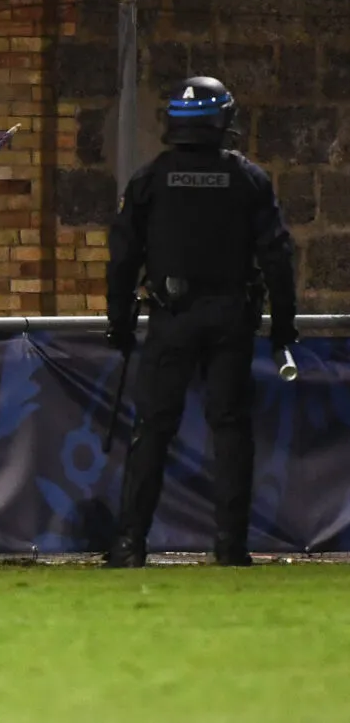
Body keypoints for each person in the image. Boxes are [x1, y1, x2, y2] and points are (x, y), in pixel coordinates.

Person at [105, 76, 297, 569]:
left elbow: (123, 257)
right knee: (231, 430)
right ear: (224, 121)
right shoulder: (248, 179)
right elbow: (277, 257)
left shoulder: (150, 179)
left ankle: (130, 545)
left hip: (170, 318)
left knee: (151, 430)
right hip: (232, 319)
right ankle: (231, 547)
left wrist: (119, 321)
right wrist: (283, 328)